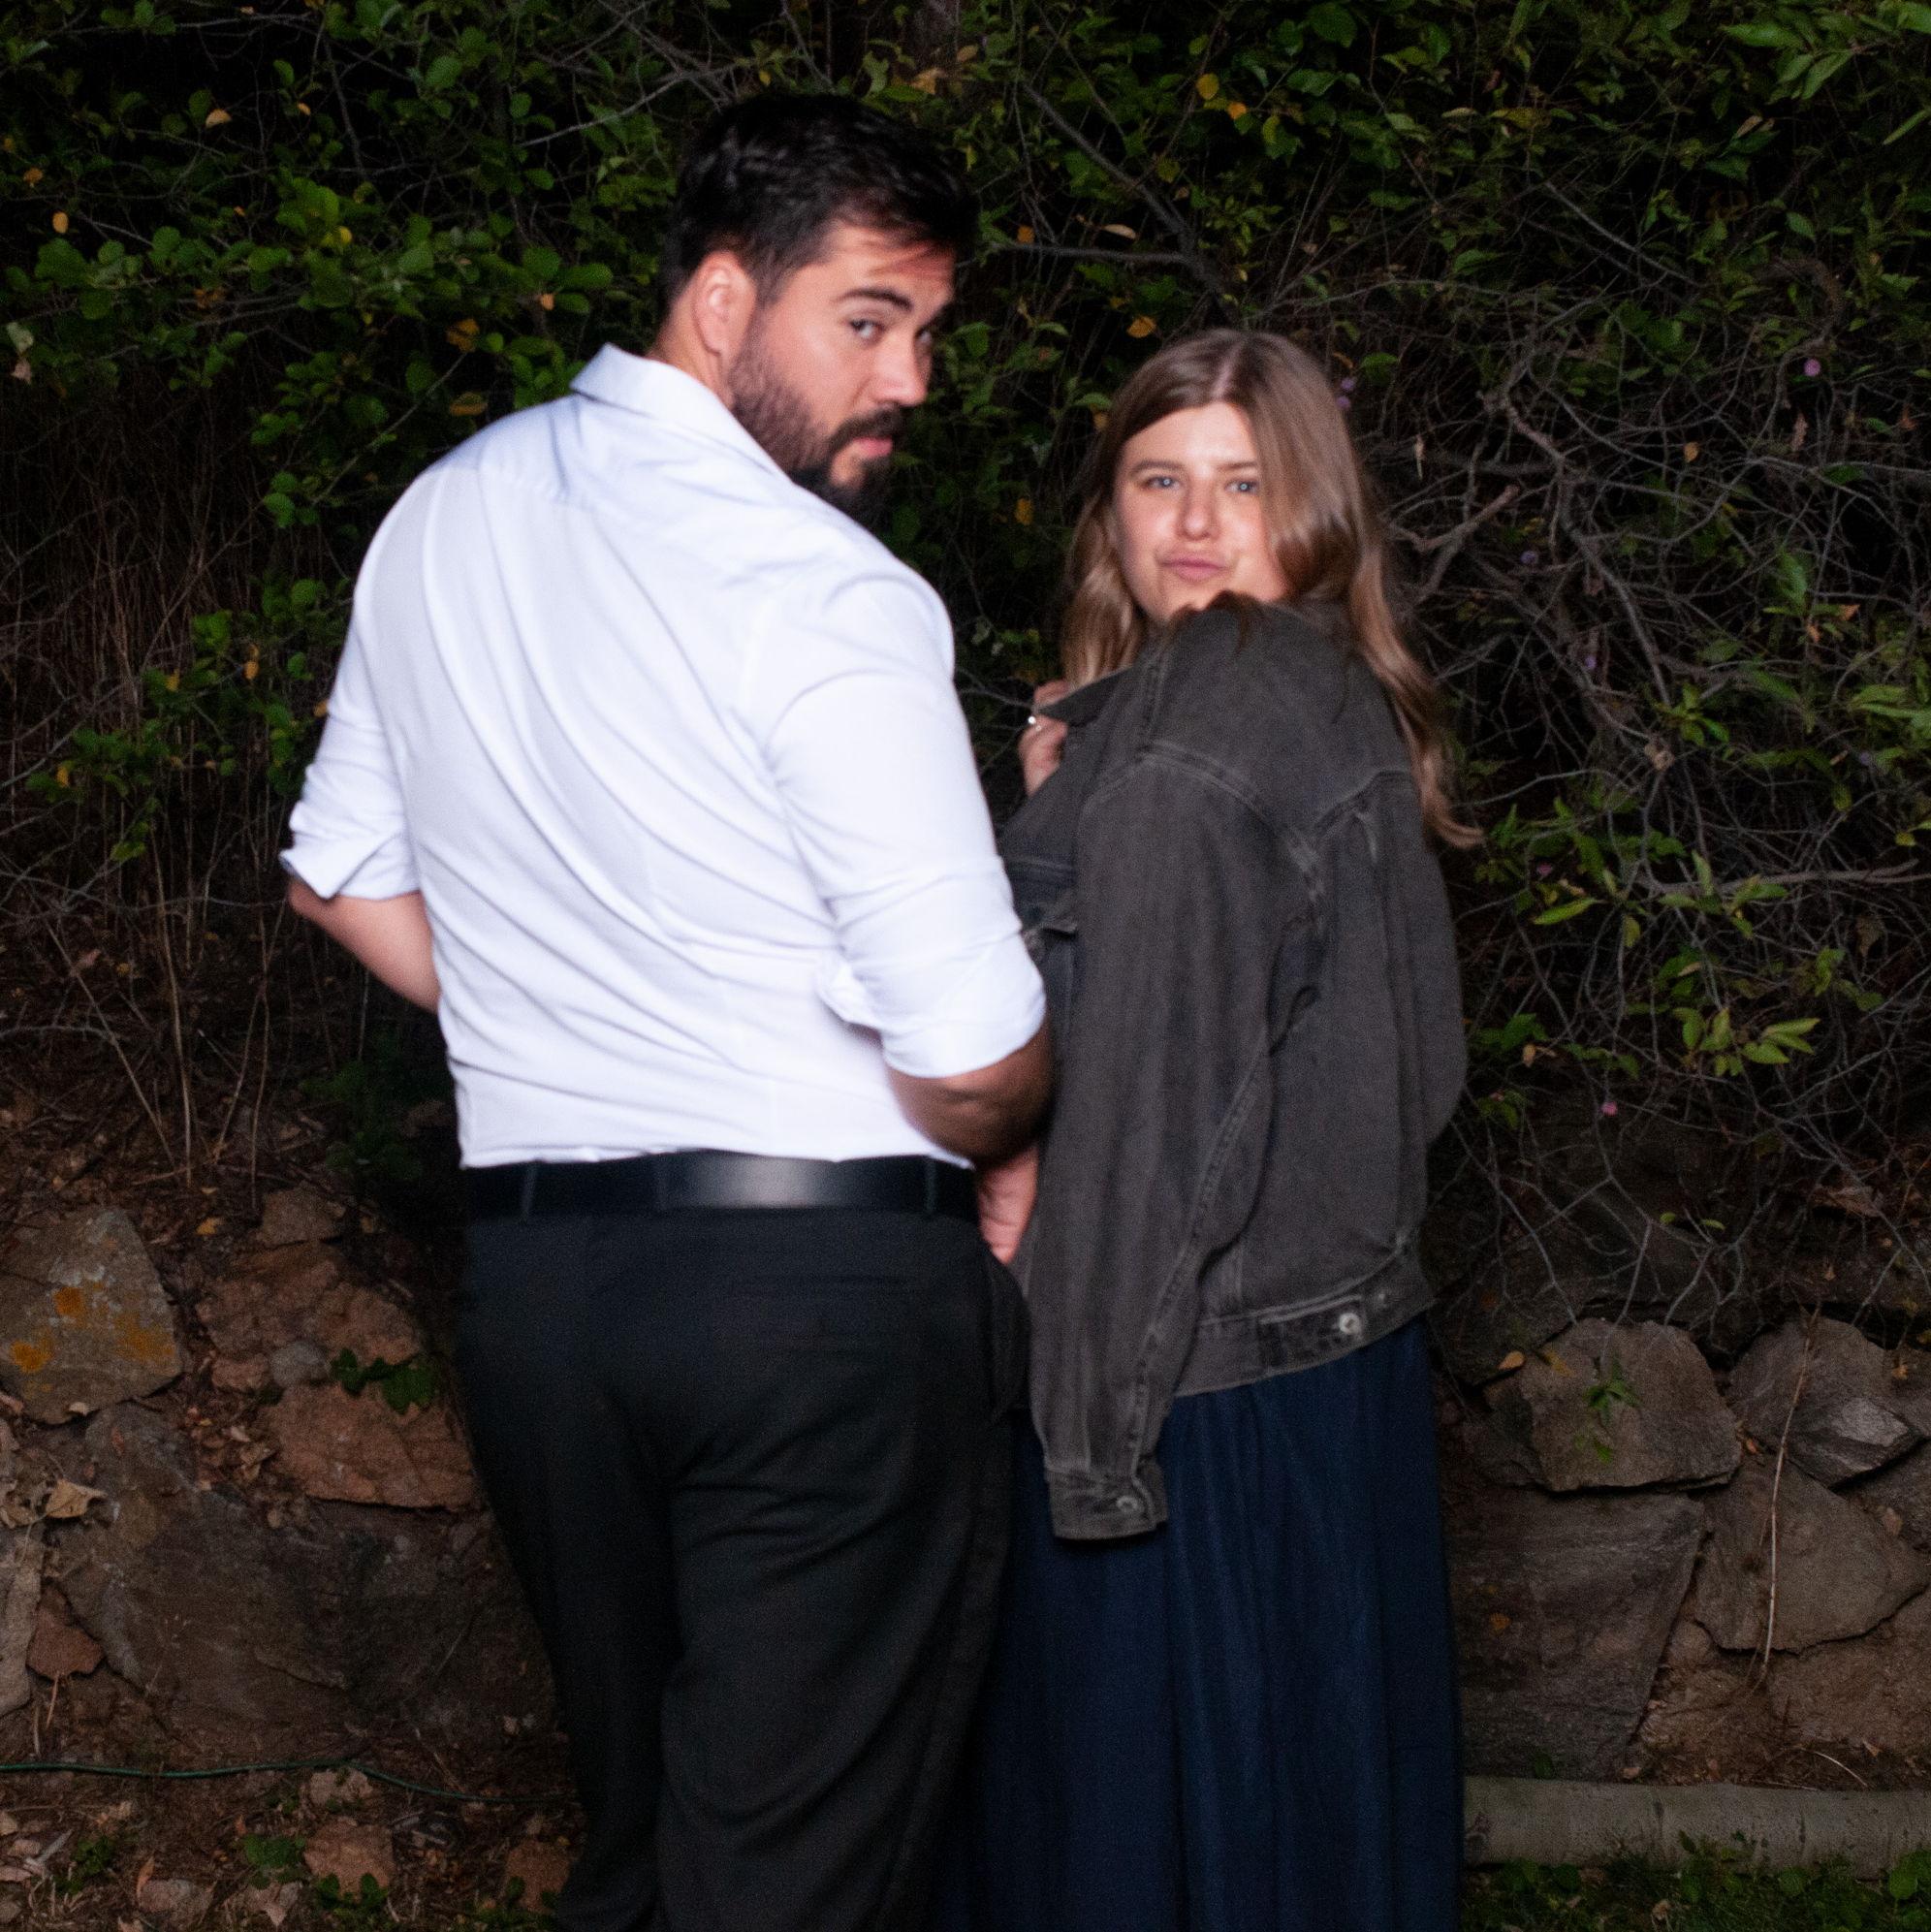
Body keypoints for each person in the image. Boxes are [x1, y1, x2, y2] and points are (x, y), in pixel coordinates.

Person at [281, 93, 1050, 1932]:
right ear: (722, 300)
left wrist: (569, 996)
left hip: (546, 1304)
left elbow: (335, 873)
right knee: (783, 1880)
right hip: (819, 1310)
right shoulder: (831, 589)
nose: (913, 379)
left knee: (643, 1854)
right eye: (868, 320)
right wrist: (1020, 1122)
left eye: (927, 330)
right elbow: (970, 1058)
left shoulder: (441, 513)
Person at [942, 330, 1473, 1932]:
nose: (1192, 522)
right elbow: (1419, 1074)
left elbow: (1143, 1146)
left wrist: (1083, 1456)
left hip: (1182, 1400)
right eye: (1157, 478)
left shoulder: (1197, 742)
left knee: (1135, 1852)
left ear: (1315, 511)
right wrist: (1067, 784)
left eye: (1244, 485)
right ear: (1108, 508)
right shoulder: (1311, 693)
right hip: (1327, 1381)